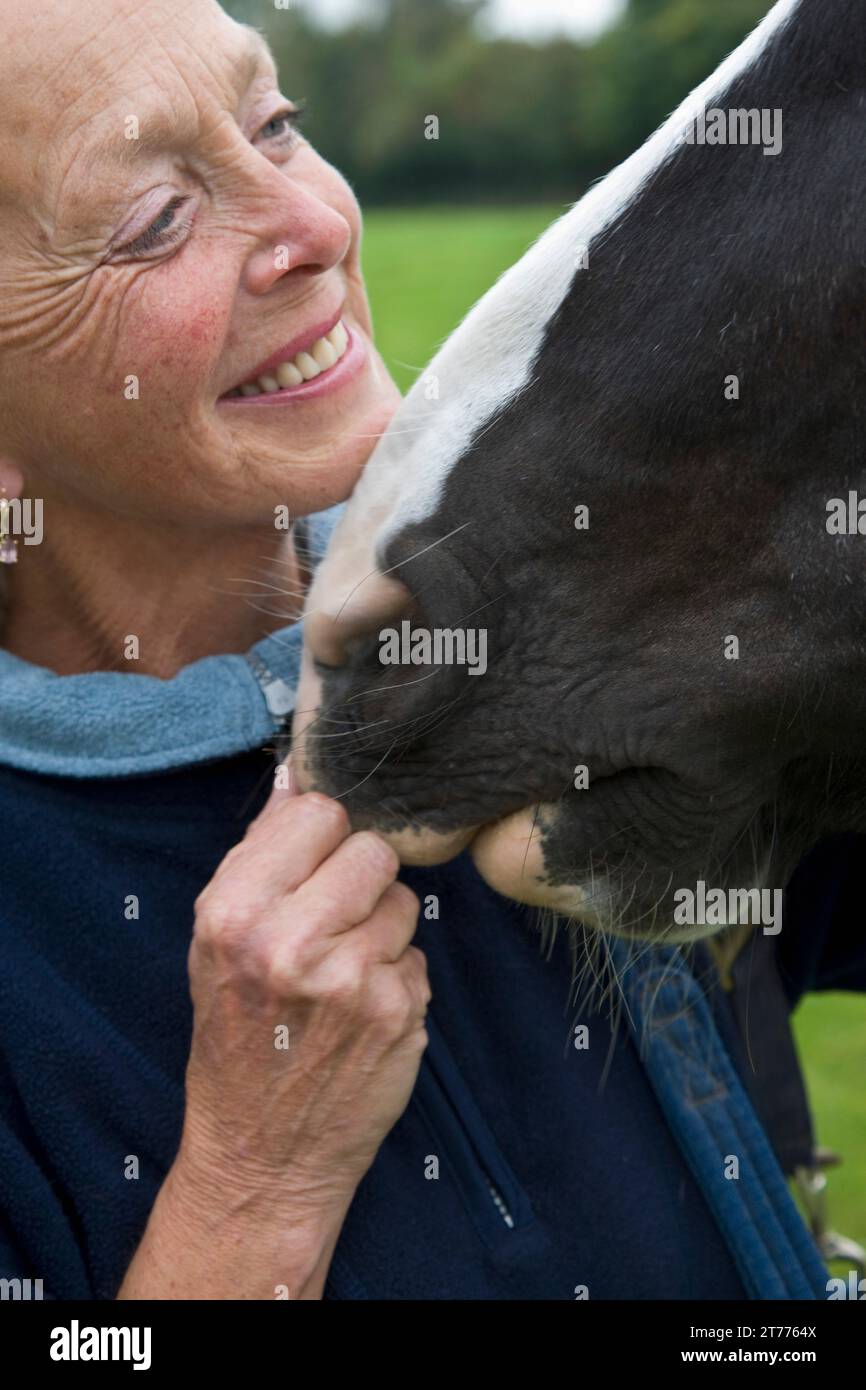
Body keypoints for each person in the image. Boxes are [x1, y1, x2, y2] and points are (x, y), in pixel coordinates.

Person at [0, 0, 860, 1302]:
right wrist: (251, 1189)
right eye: (156, 221)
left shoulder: (555, 604)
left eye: (273, 127)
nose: (318, 225)